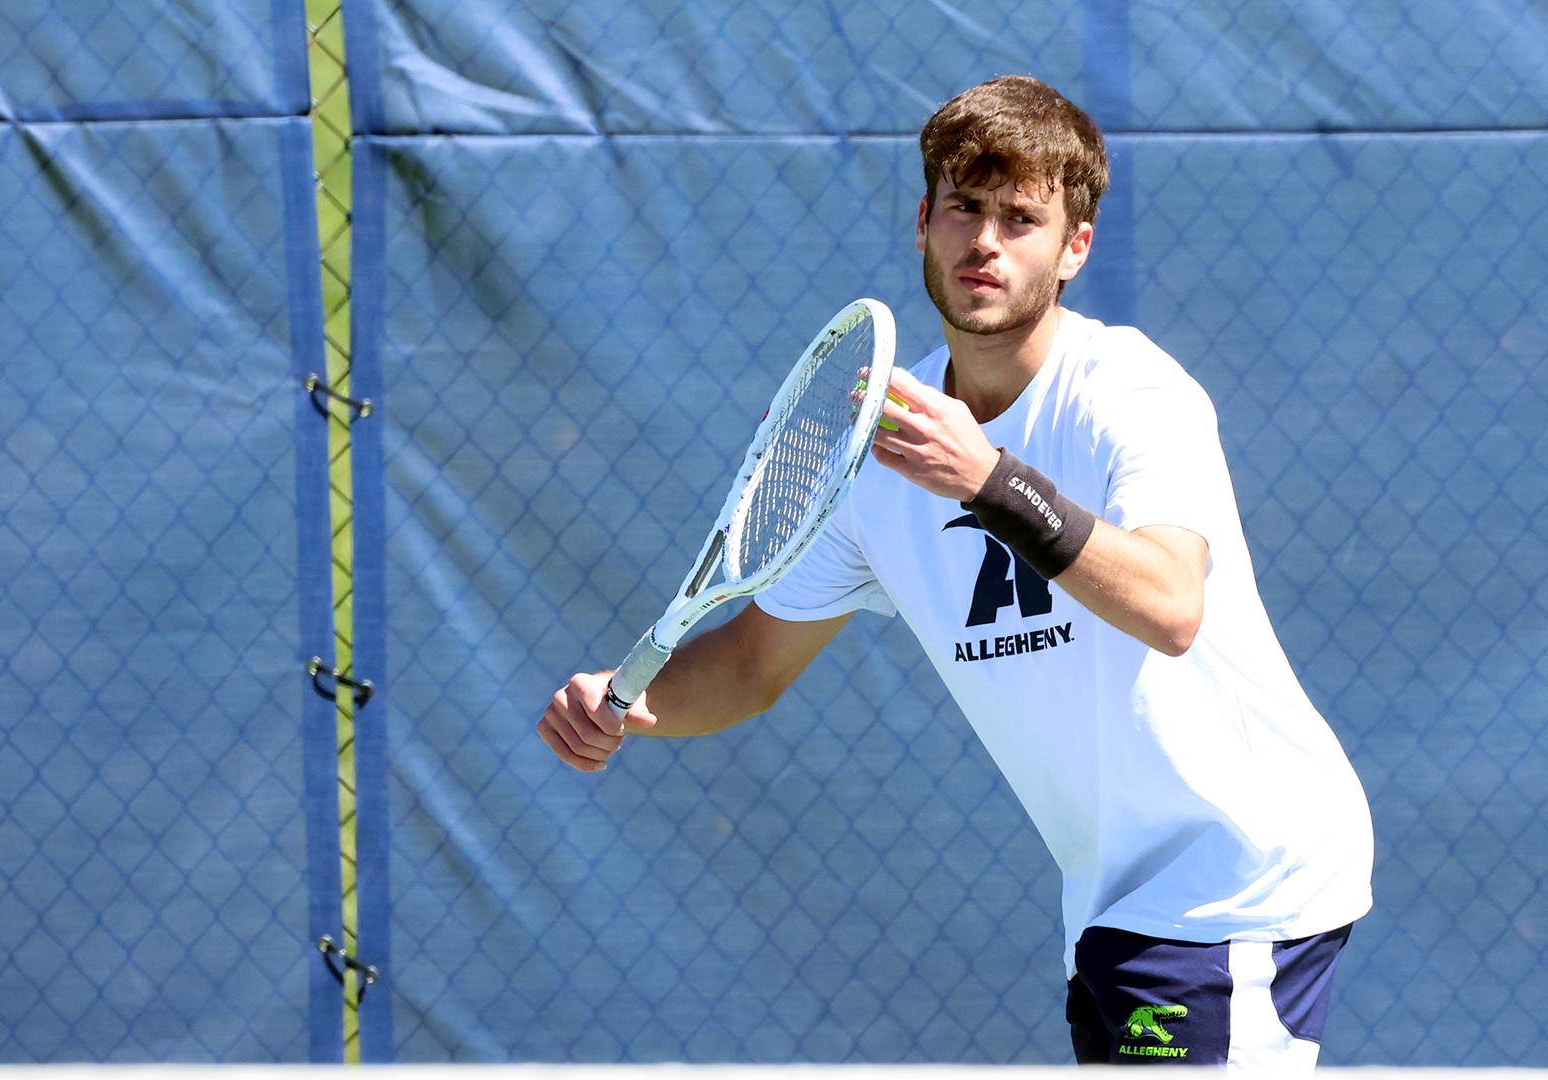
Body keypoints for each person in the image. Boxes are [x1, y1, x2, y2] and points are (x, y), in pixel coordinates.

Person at [539, 75, 1373, 1071]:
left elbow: (1171, 603)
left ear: (1075, 250)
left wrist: (987, 480)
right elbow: (756, 662)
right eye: (965, 208)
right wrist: (630, 703)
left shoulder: (1133, 394)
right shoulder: (869, 452)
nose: (986, 241)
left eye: (1022, 219)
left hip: (1240, 878)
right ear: (924, 224)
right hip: (1109, 901)